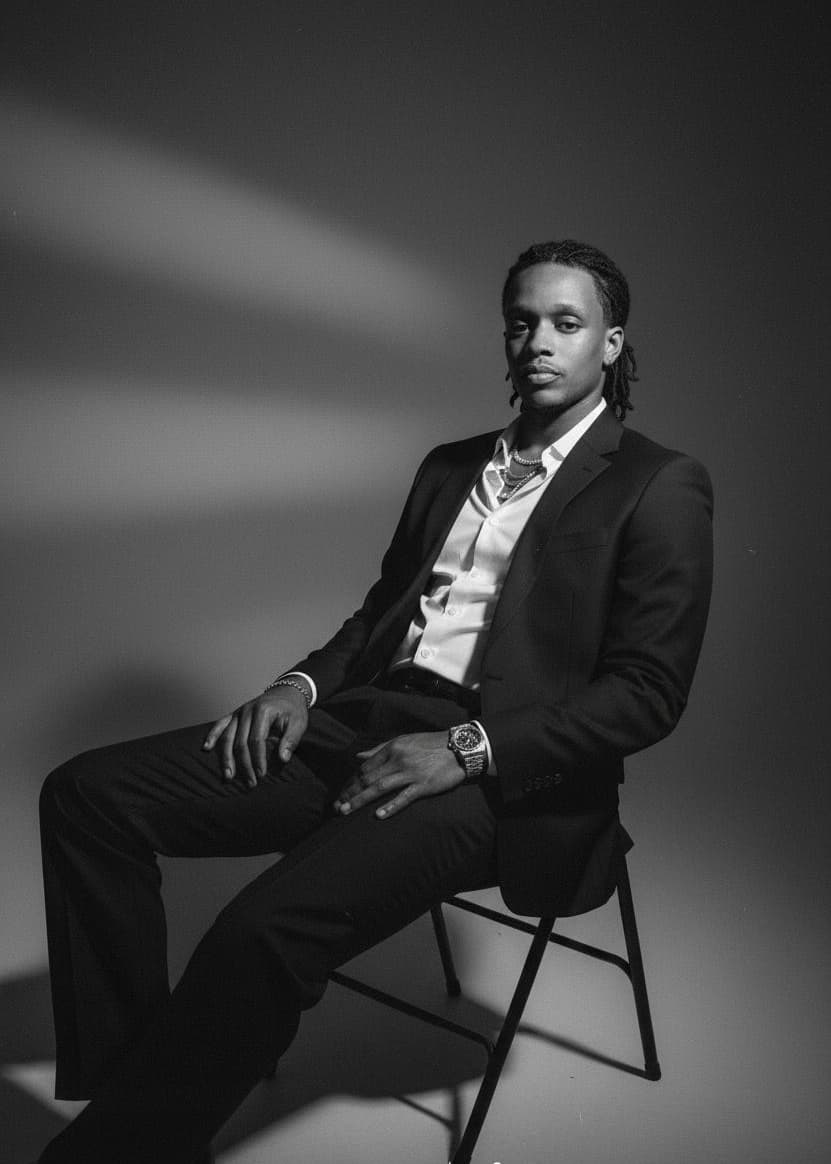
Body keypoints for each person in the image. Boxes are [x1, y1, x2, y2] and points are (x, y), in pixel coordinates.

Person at [37, 239, 713, 1162]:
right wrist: (299, 685)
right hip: (360, 725)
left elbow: (646, 694)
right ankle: (135, 1089)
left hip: (501, 774)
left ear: (610, 342)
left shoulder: (657, 483)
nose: (538, 343)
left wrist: (466, 750)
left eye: (566, 323)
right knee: (87, 795)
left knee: (257, 931)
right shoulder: (449, 466)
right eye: (521, 323)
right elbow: (379, 617)